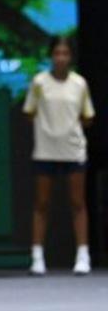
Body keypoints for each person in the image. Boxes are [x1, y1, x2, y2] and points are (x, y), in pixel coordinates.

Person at [24, 37, 96, 276]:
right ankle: (37, 257)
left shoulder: (80, 84)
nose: (61, 58)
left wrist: (67, 130)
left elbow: (88, 116)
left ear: (70, 57)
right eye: (57, 53)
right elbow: (29, 112)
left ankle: (83, 256)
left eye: (65, 53)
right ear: (51, 56)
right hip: (45, 152)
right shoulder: (39, 83)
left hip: (73, 151)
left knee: (78, 204)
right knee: (41, 205)